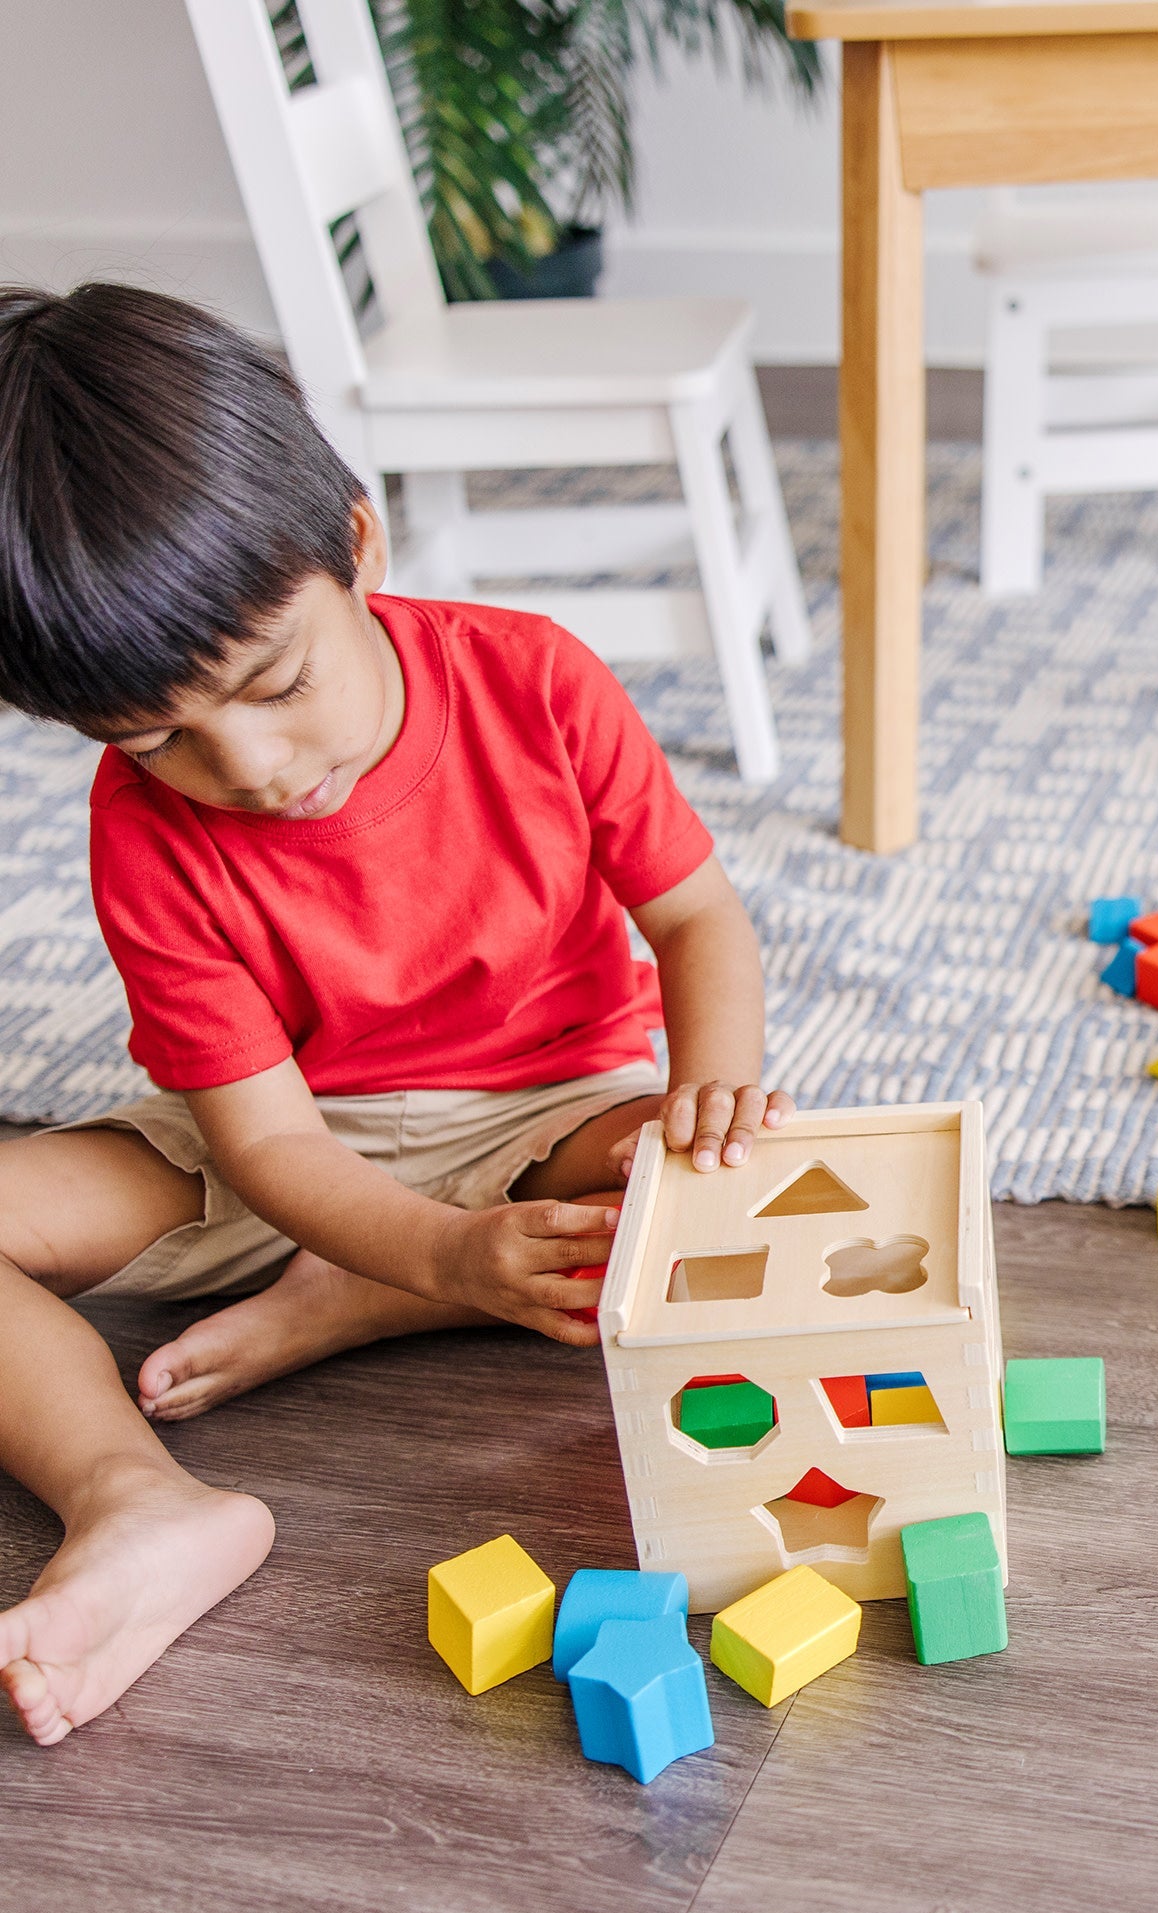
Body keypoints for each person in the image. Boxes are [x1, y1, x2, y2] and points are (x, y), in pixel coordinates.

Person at [0, 283, 791, 1746]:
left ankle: (357, 1298)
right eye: (153, 737)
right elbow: (267, 1143)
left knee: (689, 1219)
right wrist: (434, 1243)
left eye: (278, 680)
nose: (243, 763)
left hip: (550, 1114)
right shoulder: (143, 832)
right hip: (274, 1141)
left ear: (359, 545)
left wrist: (716, 1095)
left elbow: (694, 920)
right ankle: (136, 1499)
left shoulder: (535, 679)